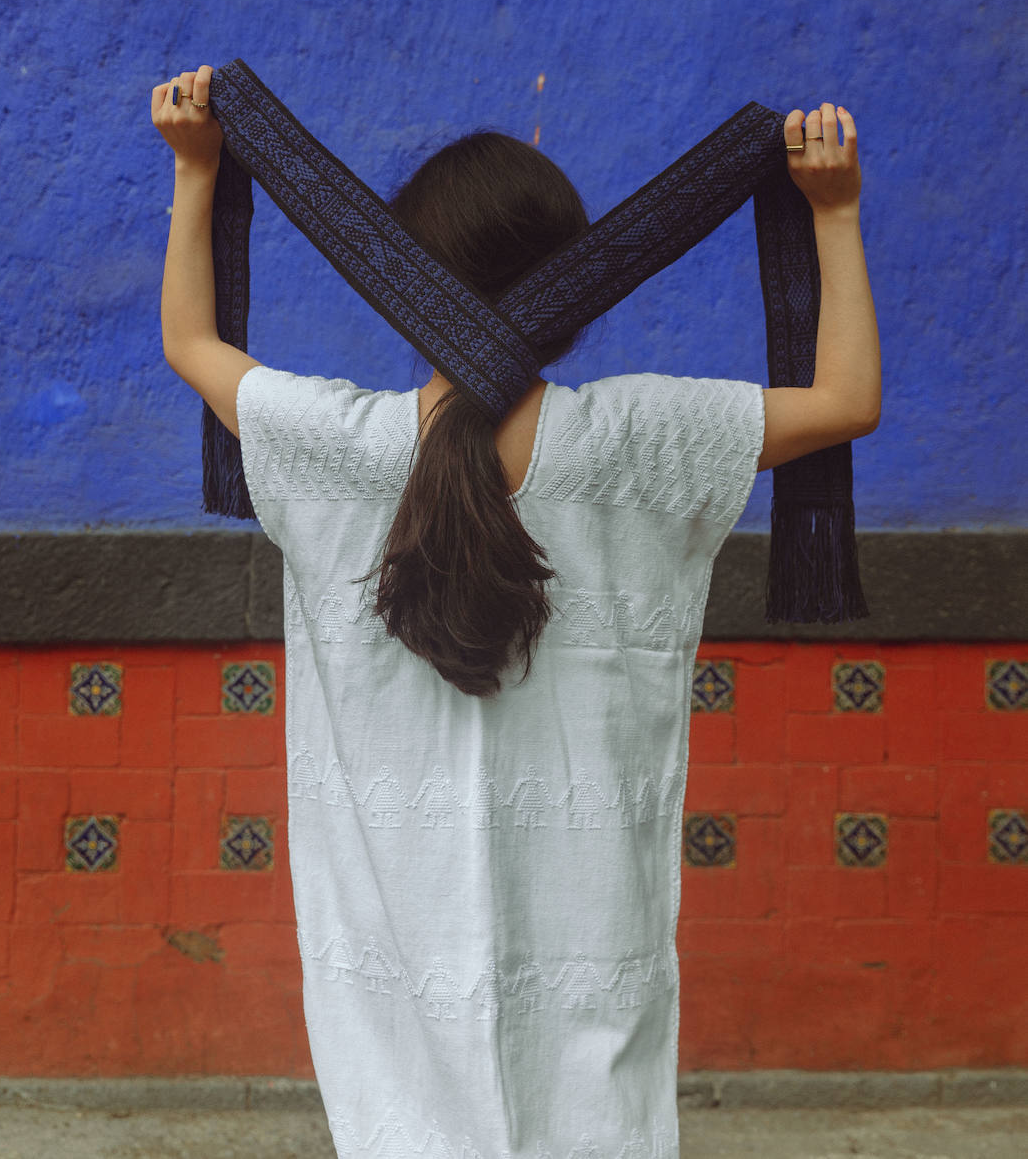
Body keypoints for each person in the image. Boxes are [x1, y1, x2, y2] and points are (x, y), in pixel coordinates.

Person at [151, 65, 879, 1158]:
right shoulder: (637, 439)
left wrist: (196, 172)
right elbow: (845, 402)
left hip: (401, 923)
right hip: (594, 916)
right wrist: (835, 213)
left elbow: (192, 349)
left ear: (402, 279)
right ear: (573, 278)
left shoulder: (339, 445)